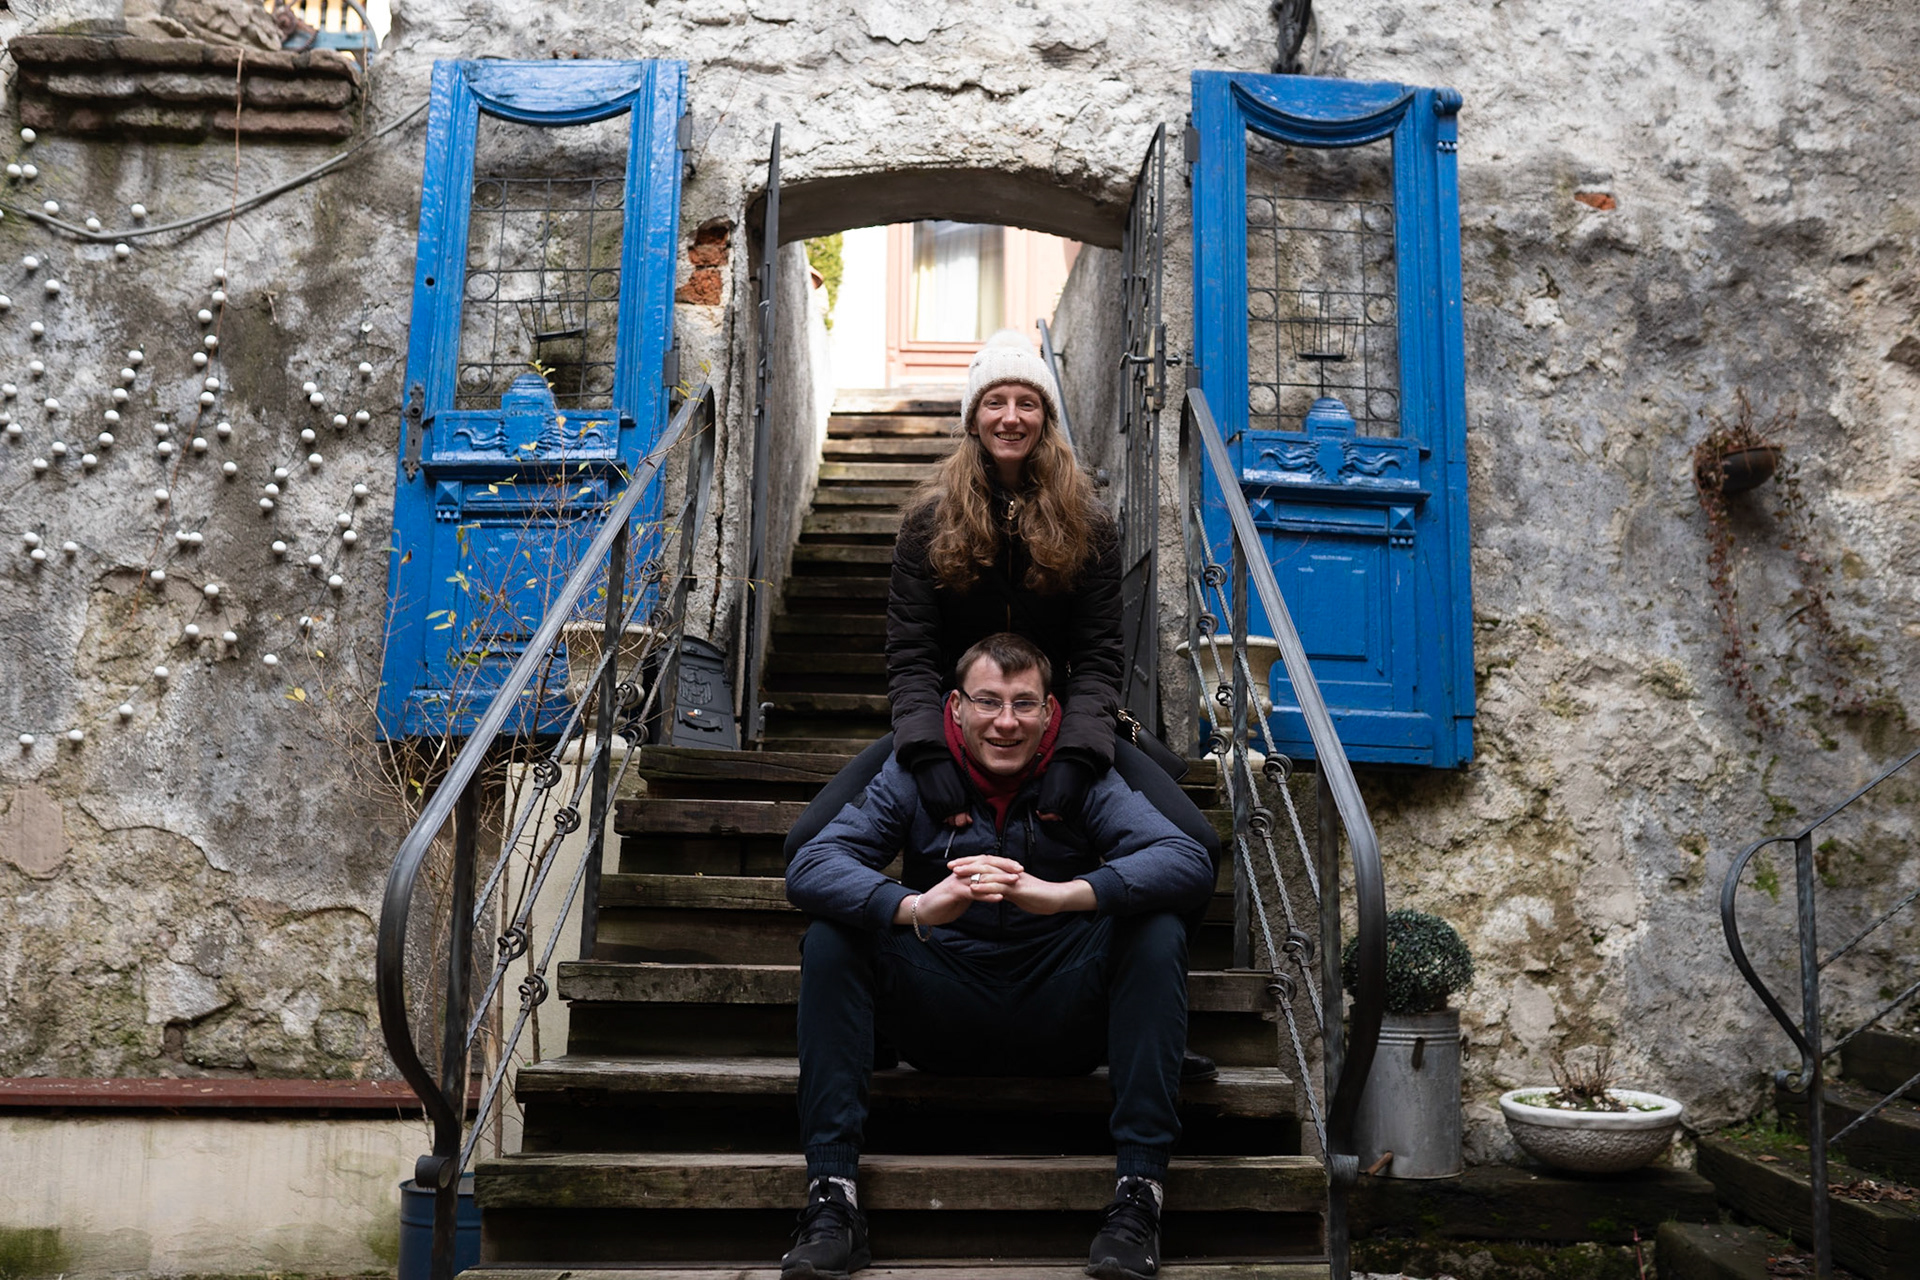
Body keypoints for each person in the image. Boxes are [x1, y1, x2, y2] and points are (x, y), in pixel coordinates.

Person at [782, 633, 1214, 1280]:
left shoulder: (1082, 775)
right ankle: (832, 1200)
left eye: (1023, 704)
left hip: (1061, 1011)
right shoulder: (913, 772)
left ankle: (1138, 1198)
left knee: (1156, 931)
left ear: (1050, 711)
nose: (1006, 722)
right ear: (956, 707)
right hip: (940, 1005)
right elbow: (813, 862)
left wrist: (1064, 894)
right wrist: (916, 906)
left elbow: (1186, 857)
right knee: (830, 936)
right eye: (988, 702)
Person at [784, 330, 1222, 895]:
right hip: (955, 718)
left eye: (1027, 403)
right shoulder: (928, 522)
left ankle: (1107, 939)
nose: (1011, 418)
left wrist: (1078, 754)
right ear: (973, 418)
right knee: (805, 842)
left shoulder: (1088, 523)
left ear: (1045, 418)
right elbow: (911, 653)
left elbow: (1099, 656)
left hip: (1057, 718)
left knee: (1200, 843)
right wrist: (927, 752)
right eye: (995, 402)